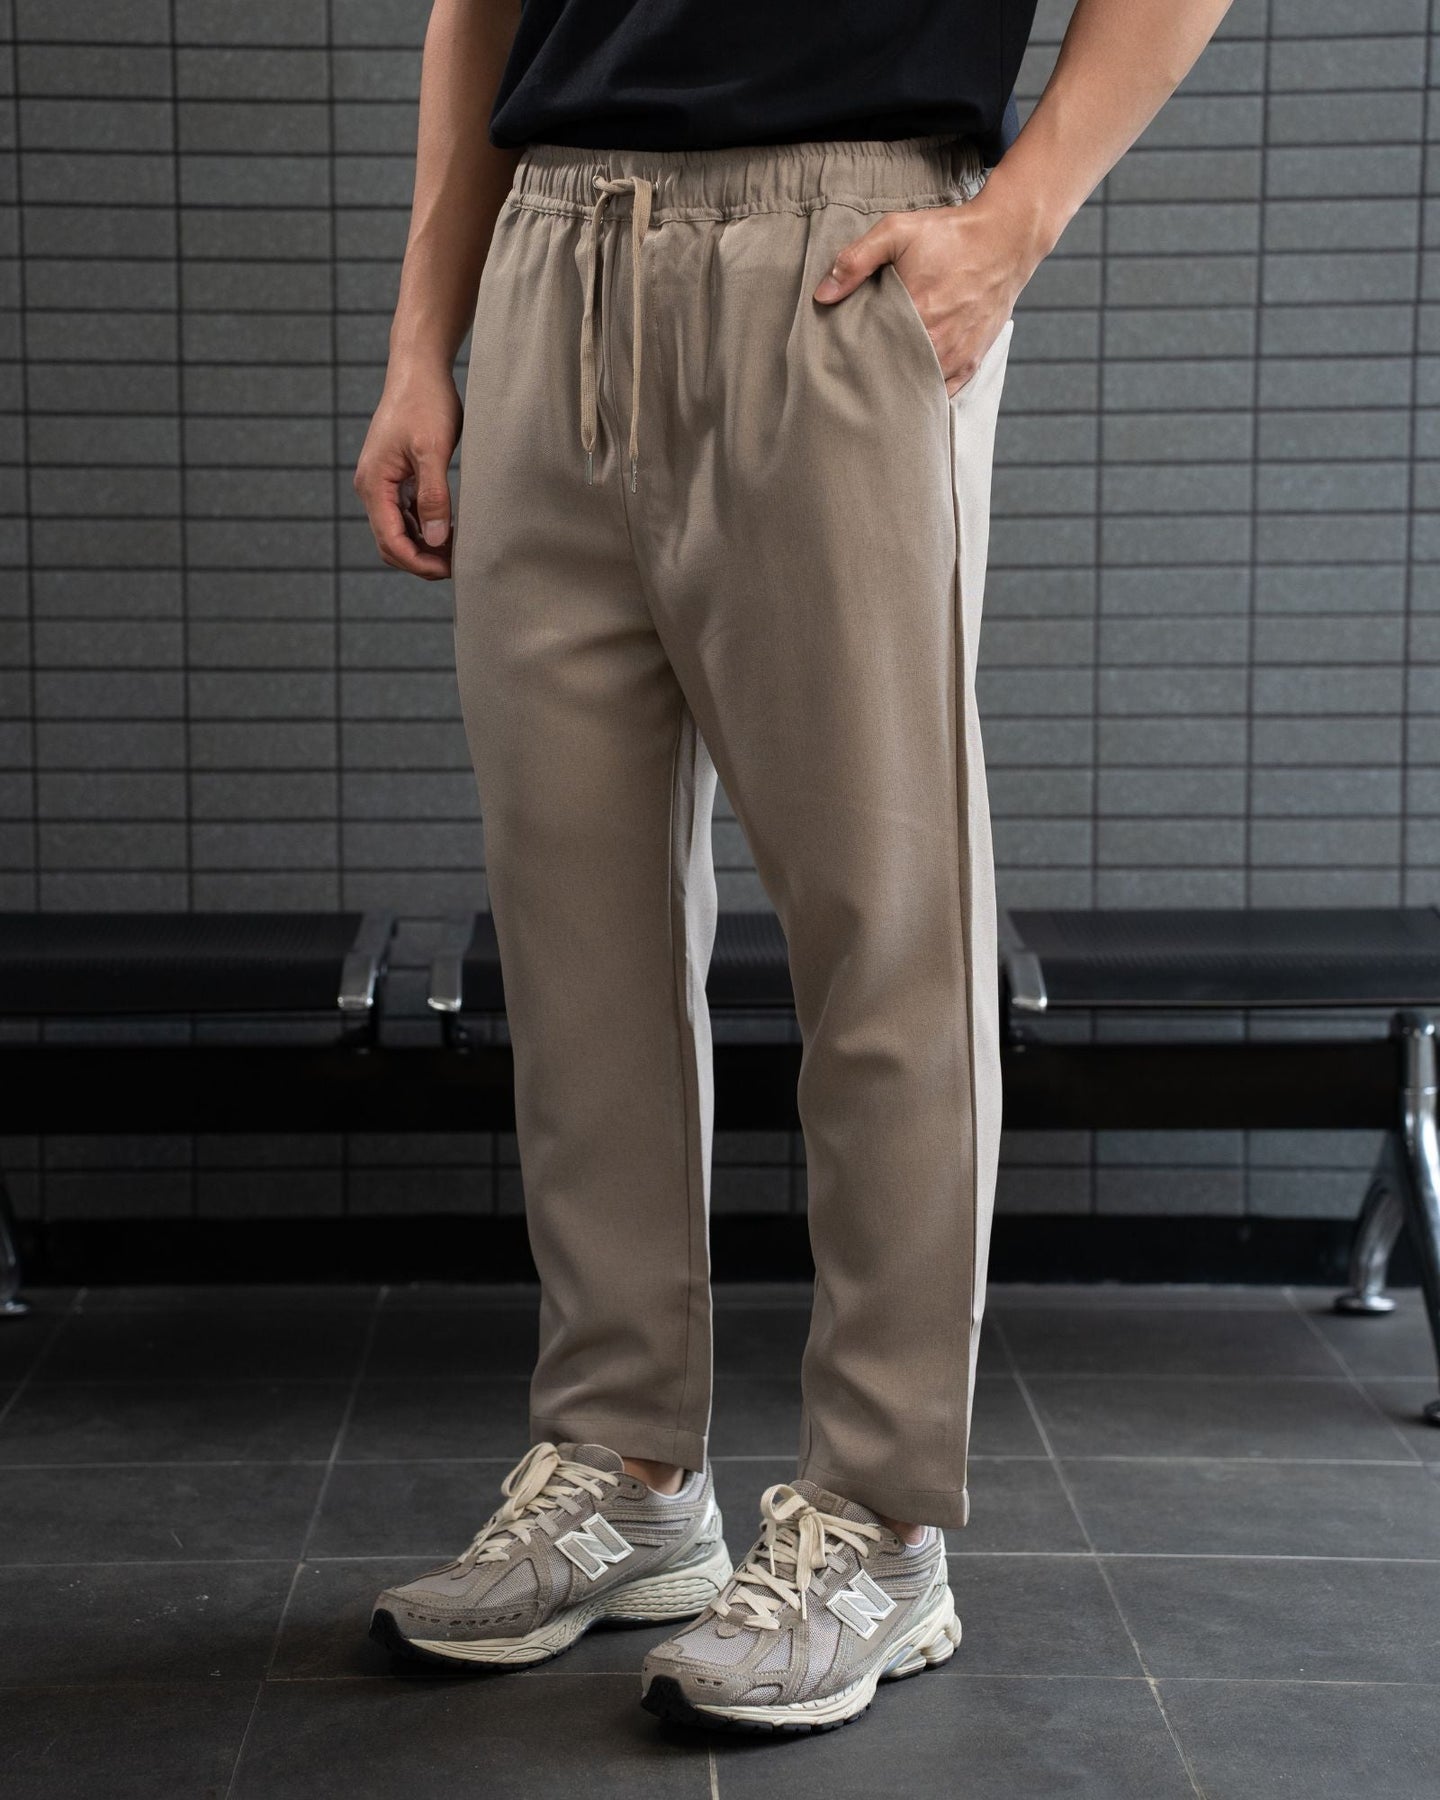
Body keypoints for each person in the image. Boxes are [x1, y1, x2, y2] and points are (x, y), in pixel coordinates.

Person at [354, 0, 1234, 1734]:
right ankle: (623, 1471)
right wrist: (421, 340)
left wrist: (1017, 219)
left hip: (841, 255)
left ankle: (883, 1522)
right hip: (552, 252)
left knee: (885, 935)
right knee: (578, 943)